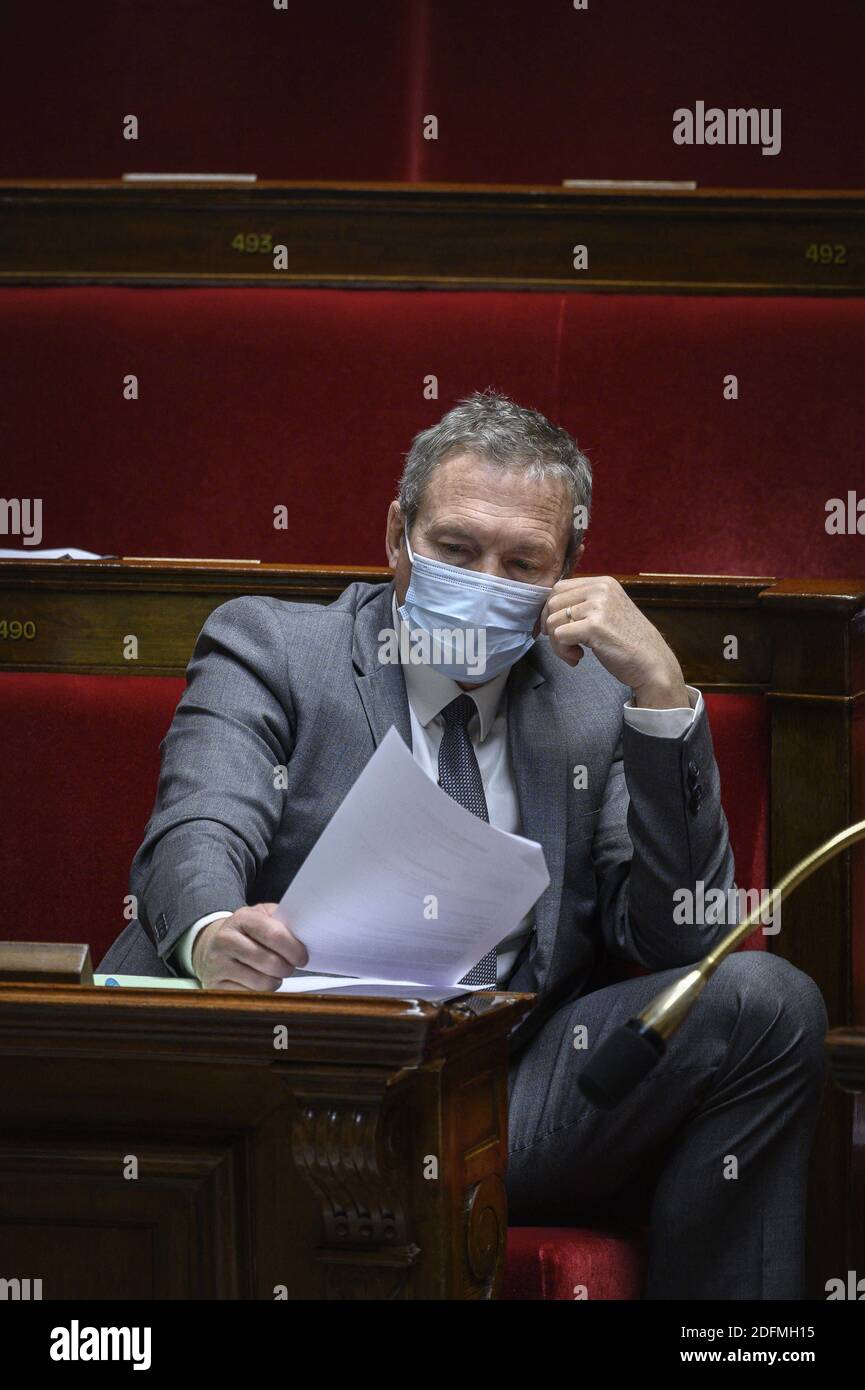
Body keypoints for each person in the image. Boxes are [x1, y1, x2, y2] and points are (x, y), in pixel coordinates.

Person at [99, 389, 827, 1298]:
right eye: (455, 549)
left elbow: (681, 944)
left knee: (767, 1001)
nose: (483, 579)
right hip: (293, 1081)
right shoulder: (276, 647)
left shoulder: (595, 703)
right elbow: (197, 826)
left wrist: (662, 695)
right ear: (396, 537)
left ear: (569, 572)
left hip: (503, 1093)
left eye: (521, 561)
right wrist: (210, 934)